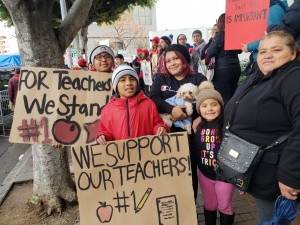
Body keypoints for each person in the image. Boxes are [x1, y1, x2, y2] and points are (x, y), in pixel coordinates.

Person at [223, 30, 300, 224]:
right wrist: (240, 171)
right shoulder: (257, 77)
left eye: (276, 50)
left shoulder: (293, 77)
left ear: (292, 53)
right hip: (255, 169)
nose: (267, 55)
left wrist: (290, 176)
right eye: (263, 50)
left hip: (276, 177)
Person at [148, 44, 207, 200]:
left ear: (184, 59)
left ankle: (190, 210)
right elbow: (153, 98)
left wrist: (192, 111)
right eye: (168, 61)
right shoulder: (161, 78)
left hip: (192, 136)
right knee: (169, 174)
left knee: (189, 173)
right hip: (168, 135)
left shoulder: (198, 79)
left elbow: (208, 99)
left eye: (176, 58)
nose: (172, 63)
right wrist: (171, 108)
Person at [193, 81, 235, 225]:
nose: (209, 109)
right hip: (205, 175)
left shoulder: (227, 124)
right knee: (209, 205)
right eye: (204, 106)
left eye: (214, 104)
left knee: (225, 206)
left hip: (225, 176)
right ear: (199, 110)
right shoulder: (197, 127)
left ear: (221, 107)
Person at [96, 64, 169, 144]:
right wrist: (102, 136)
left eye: (132, 79)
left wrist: (160, 128)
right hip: (120, 155)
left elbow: (157, 123)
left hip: (146, 153)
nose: (128, 83)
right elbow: (104, 130)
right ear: (116, 86)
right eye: (122, 80)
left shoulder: (149, 104)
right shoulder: (107, 110)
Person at [241, 0, 288, 75]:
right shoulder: (271, 10)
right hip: (266, 62)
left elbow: (274, 38)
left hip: (269, 63)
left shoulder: (273, 10)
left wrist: (249, 46)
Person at [206, 13, 242, 105]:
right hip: (236, 67)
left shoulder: (220, 34)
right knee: (234, 94)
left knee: (224, 98)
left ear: (220, 23)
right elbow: (239, 51)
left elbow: (210, 52)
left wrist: (214, 38)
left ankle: (227, 118)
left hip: (223, 69)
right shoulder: (234, 34)